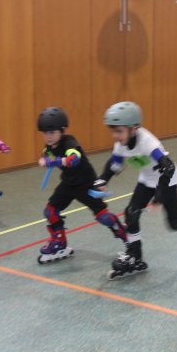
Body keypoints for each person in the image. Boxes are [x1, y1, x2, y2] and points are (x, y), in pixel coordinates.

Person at [94, 101, 177, 280]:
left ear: (134, 128)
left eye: (119, 131)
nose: (115, 136)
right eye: (113, 131)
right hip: (146, 180)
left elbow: (168, 168)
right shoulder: (121, 142)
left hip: (167, 181)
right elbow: (115, 164)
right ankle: (135, 256)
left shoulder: (147, 142)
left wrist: (158, 197)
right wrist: (102, 179)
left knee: (174, 223)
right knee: (131, 213)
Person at [36, 106, 127, 264]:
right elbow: (48, 156)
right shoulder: (49, 147)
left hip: (86, 184)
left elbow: (73, 159)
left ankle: (128, 238)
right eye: (45, 133)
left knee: (104, 217)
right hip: (68, 183)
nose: (48, 137)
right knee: (50, 212)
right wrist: (46, 158)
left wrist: (54, 161)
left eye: (52, 132)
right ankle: (59, 243)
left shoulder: (69, 142)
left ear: (62, 130)